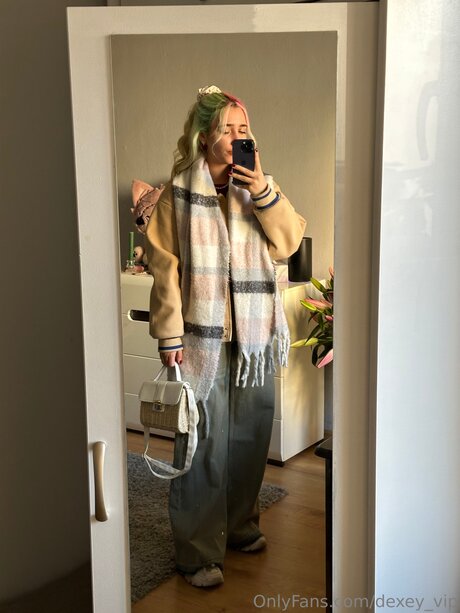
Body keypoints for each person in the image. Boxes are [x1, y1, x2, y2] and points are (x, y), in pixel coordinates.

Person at [145, 85, 306, 588]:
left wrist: (262, 193)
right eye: (227, 129)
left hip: (254, 338)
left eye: (244, 128)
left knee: (250, 437)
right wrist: (169, 334)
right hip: (202, 338)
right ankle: (197, 552)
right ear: (204, 137)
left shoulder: (260, 188)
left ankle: (239, 527)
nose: (239, 137)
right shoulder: (177, 194)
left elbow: (288, 243)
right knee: (202, 441)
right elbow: (165, 270)